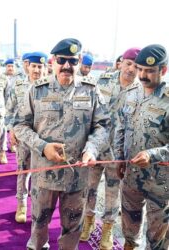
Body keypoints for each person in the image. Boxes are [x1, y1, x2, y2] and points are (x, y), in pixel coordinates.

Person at [13, 38, 110, 250]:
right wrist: (42, 146)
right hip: (44, 175)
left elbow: (103, 125)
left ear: (80, 61)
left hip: (77, 177)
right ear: (52, 61)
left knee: (72, 230)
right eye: (61, 60)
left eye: (73, 61)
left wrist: (92, 149)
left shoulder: (91, 91)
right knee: (39, 227)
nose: (67, 66)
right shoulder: (37, 90)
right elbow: (20, 125)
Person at [80, 47, 141, 249]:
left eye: (136, 66)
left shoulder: (141, 91)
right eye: (129, 63)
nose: (131, 69)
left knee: (113, 193)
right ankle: (87, 222)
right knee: (89, 188)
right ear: (121, 62)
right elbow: (89, 110)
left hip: (119, 153)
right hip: (96, 147)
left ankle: (107, 229)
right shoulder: (104, 80)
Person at [114, 44, 169, 249]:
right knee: (130, 228)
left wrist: (153, 154)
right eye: (140, 69)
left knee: (157, 239)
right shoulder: (131, 93)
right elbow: (121, 126)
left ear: (163, 70)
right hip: (131, 177)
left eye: (150, 71)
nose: (143, 75)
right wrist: (119, 157)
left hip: (161, 183)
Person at [6, 51, 47, 224]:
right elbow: (9, 110)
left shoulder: (50, 86)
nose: (37, 70)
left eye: (40, 66)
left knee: (40, 173)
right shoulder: (19, 85)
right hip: (23, 136)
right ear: (28, 66)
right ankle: (21, 204)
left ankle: (38, 205)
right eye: (34, 66)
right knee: (22, 171)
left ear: (45, 68)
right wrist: (11, 130)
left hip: (42, 138)